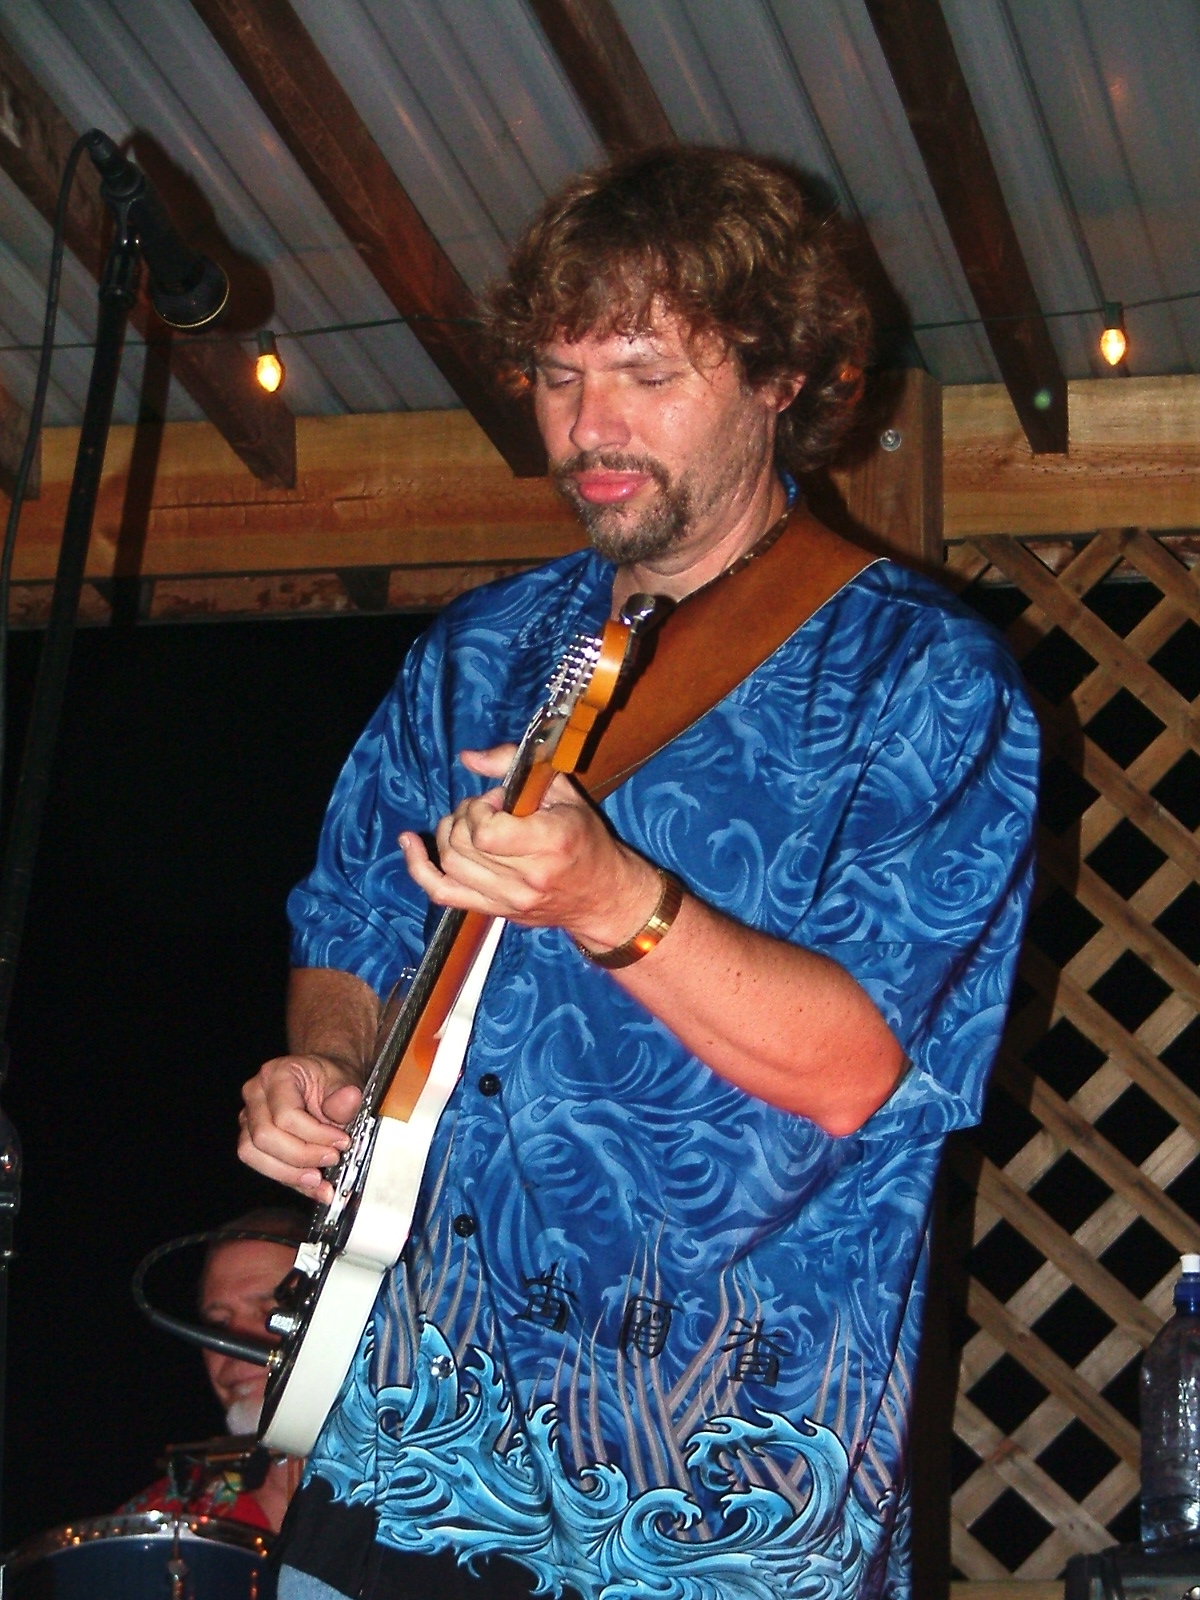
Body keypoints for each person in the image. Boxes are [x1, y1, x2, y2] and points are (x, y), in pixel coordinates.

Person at [238, 147, 1040, 1599]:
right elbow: (352, 915)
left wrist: (610, 899)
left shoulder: (926, 683)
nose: (588, 427)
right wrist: (325, 1063)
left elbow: (854, 1066)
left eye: (646, 373)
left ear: (780, 376)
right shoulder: (477, 653)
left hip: (718, 1471)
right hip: (417, 1424)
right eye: (557, 376)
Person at [124, 1209, 307, 1532]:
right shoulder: (157, 1524)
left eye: (273, 1312)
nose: (232, 1344)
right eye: (218, 1324)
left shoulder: (404, 1493)